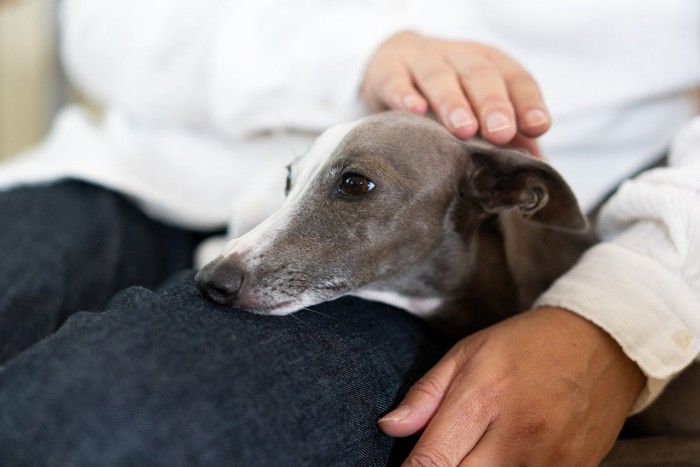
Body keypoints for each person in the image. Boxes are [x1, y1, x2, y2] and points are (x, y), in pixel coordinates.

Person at [0, 0, 698, 465]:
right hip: (124, 170)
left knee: (85, 431)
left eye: (354, 187)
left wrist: (625, 311)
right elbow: (101, 23)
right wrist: (353, 57)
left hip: (415, 273)